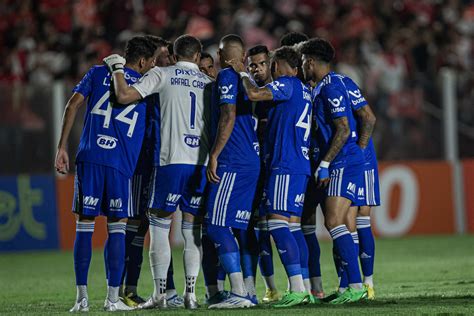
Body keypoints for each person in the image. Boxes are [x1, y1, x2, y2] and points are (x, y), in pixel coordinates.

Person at [103, 34, 213, 309]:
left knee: (159, 227)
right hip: (200, 163)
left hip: (170, 161)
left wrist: (117, 67)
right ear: (198, 57)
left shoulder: (161, 74)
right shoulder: (210, 83)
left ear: (174, 56)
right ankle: (191, 294)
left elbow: (124, 95)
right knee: (191, 231)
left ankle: (160, 294)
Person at [55, 36, 159, 312]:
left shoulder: (97, 72)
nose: (154, 66)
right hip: (120, 165)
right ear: (142, 61)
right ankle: (113, 300)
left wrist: (62, 147)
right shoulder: (148, 86)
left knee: (84, 225)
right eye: (152, 62)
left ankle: (81, 299)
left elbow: (72, 105)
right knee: (117, 229)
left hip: (89, 157)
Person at [227, 45, 312, 308]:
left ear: (282, 66)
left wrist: (241, 72)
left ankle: (297, 288)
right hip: (298, 164)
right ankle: (303, 287)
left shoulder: (287, 84)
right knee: (288, 226)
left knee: (277, 225)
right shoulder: (304, 91)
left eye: (273, 64)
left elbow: (253, 93)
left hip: (285, 164)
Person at [300, 37, 367, 304]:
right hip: (346, 159)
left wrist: (326, 163)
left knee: (333, 222)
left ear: (312, 62)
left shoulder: (330, 88)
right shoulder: (332, 83)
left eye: (304, 62)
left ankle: (356, 284)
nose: (303, 67)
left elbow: (343, 128)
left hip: (340, 162)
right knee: (339, 224)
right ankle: (348, 286)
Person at [120, 35, 184, 308]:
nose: (169, 61)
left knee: (158, 227)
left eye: (170, 56)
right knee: (137, 224)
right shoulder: (147, 83)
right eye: (164, 57)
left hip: (163, 161)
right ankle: (125, 288)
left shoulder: (166, 82)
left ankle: (165, 289)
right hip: (142, 163)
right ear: (149, 60)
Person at [205, 34, 260, 309]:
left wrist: (214, 154)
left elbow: (227, 114)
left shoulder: (227, 76)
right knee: (238, 229)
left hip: (232, 161)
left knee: (215, 226)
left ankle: (238, 293)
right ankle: (248, 292)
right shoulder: (247, 80)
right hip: (251, 160)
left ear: (222, 56)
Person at [246, 44, 280, 303]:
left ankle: (305, 285)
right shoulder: (247, 94)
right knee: (257, 229)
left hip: (276, 167)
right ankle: (269, 287)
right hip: (253, 168)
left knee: (281, 227)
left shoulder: (278, 92)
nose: (256, 69)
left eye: (260, 64)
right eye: (252, 65)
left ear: (270, 64)